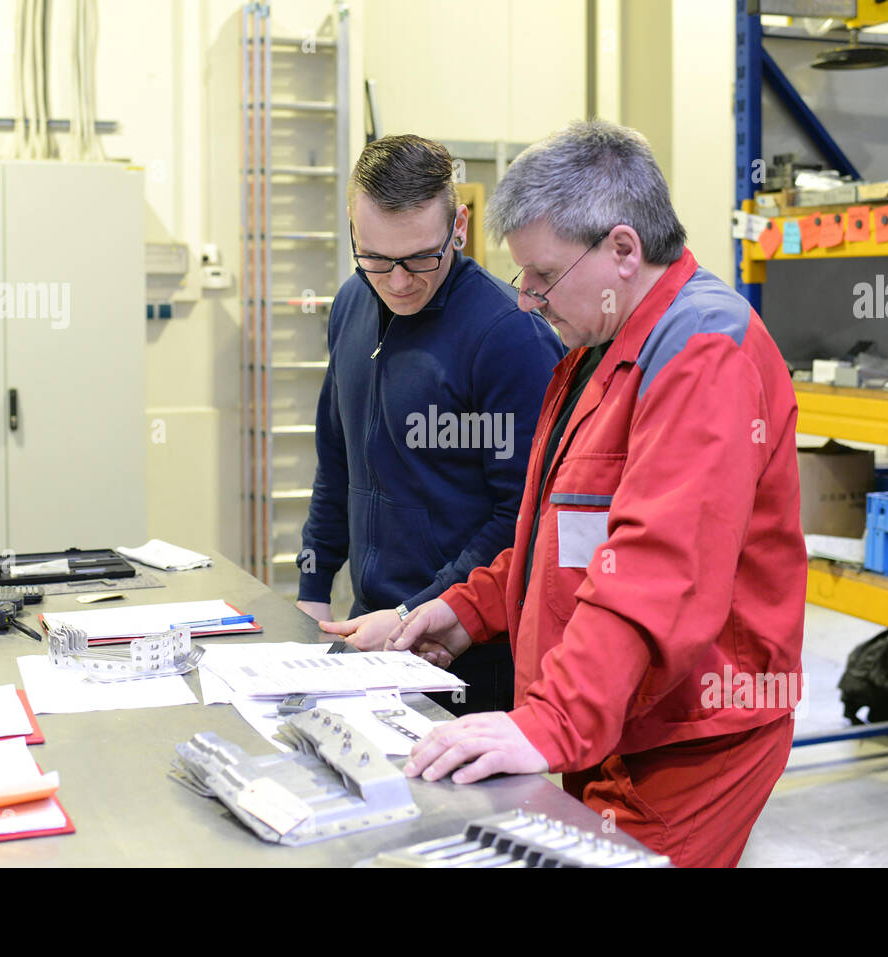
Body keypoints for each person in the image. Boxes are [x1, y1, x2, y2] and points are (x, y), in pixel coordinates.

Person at [390, 120, 808, 866]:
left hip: (687, 744)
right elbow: (574, 537)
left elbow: (658, 567)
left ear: (622, 248)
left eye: (542, 276)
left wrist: (549, 720)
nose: (526, 300)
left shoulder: (704, 350)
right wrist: (469, 609)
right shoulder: (599, 350)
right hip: (616, 721)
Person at [297, 134, 564, 713]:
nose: (397, 282)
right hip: (374, 636)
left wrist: (414, 614)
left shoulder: (509, 335)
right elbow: (336, 459)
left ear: (459, 225)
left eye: (421, 258)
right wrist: (314, 590)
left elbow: (521, 518)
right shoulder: (350, 305)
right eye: (375, 258)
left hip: (470, 654)